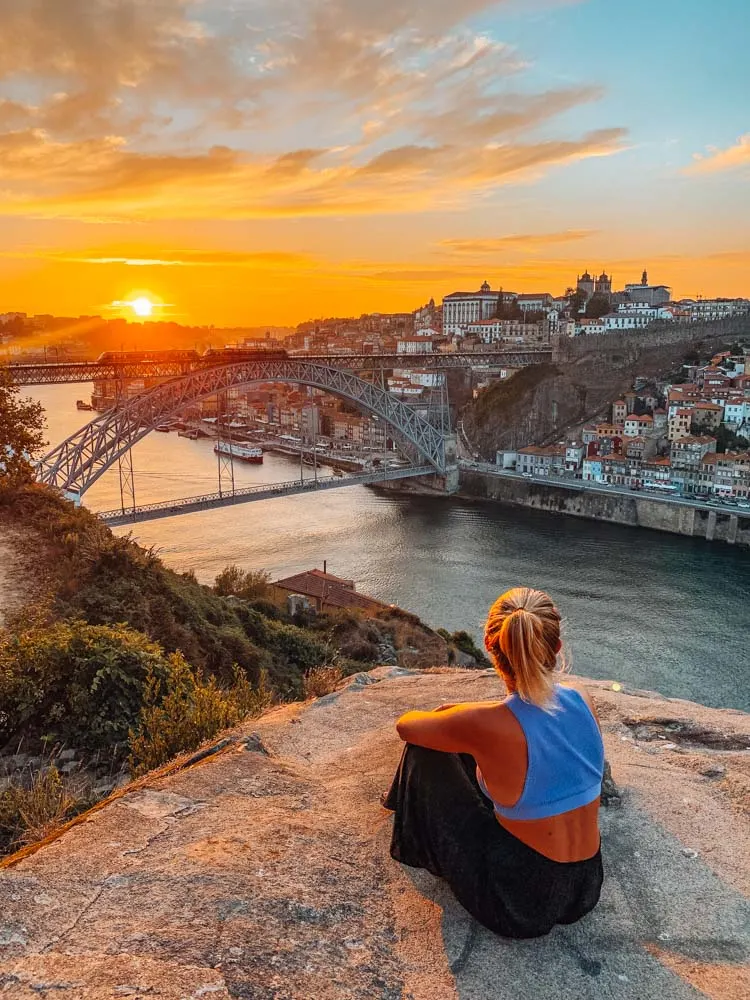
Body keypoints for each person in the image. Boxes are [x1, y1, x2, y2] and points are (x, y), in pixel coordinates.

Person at [383, 586, 605, 939]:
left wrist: (458, 718)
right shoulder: (583, 699)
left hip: (518, 903)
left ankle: (408, 829)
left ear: (490, 645)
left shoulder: (487, 724)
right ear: (556, 648)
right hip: (586, 887)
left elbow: (406, 726)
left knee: (423, 751)